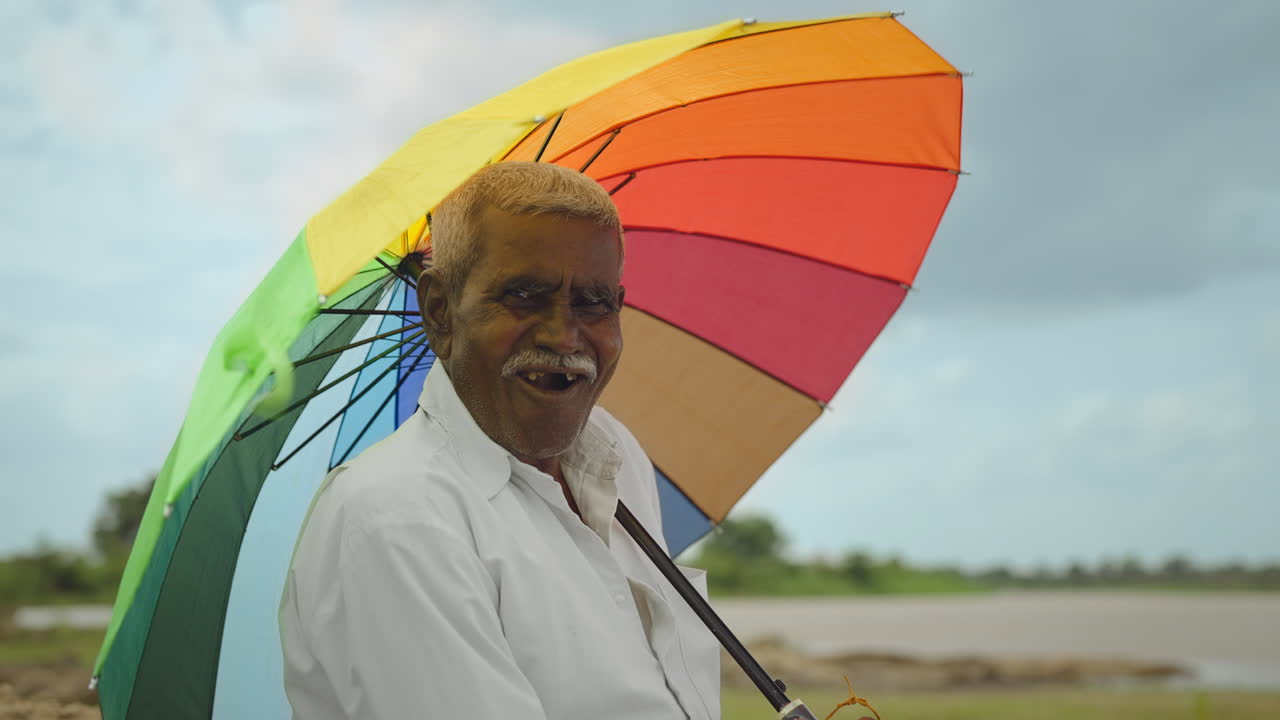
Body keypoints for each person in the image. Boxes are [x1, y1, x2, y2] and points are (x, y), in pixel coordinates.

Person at [279, 162, 720, 720]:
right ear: (439, 310)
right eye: (525, 295)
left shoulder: (613, 454)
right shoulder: (400, 518)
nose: (564, 335)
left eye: (593, 301)